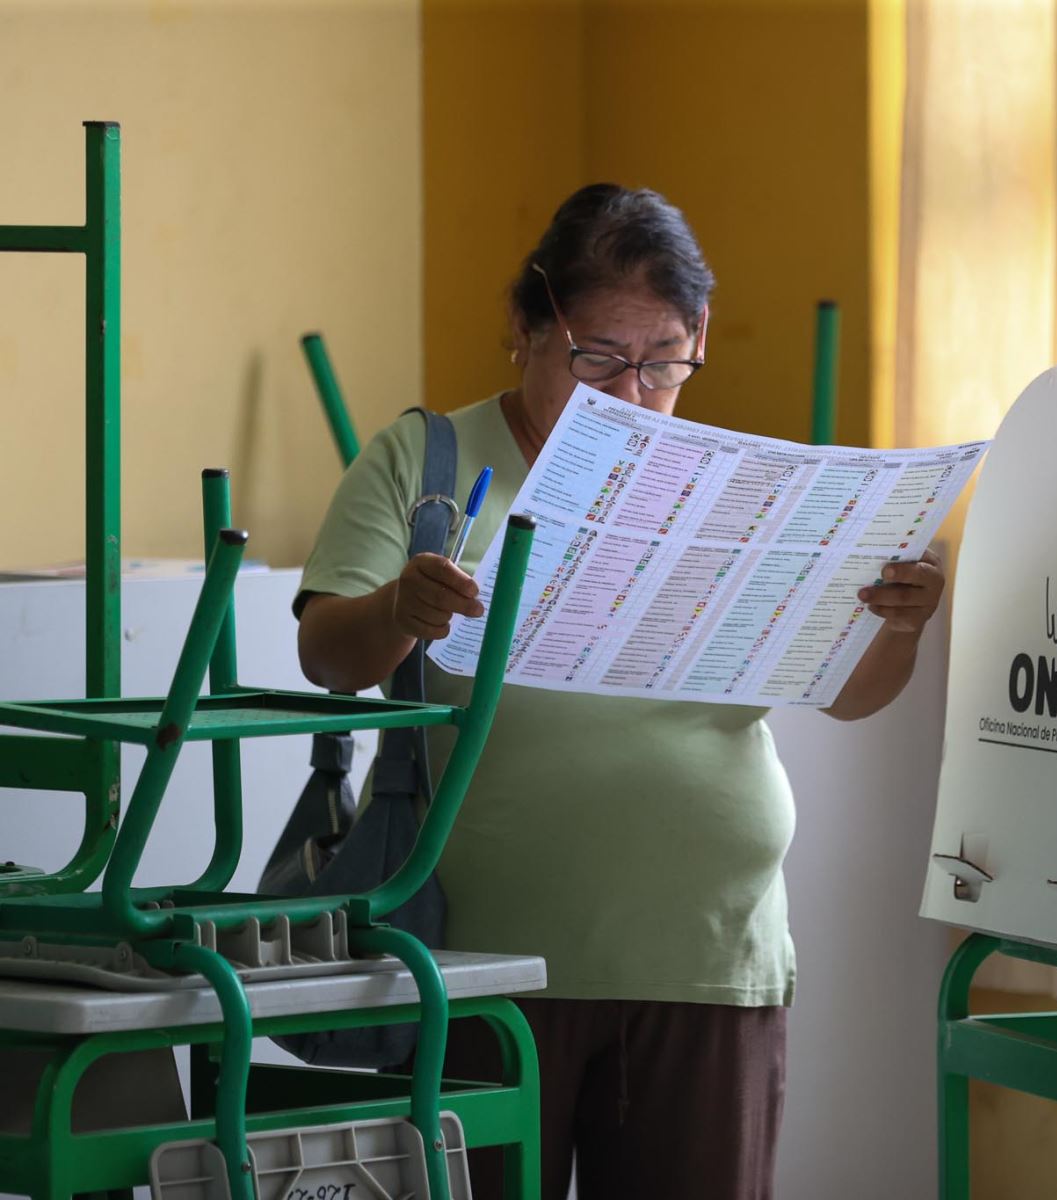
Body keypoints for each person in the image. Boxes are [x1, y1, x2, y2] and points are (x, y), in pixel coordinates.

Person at [294, 184, 944, 1199]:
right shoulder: (429, 462)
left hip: (711, 952)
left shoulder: (731, 487)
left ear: (699, 340)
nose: (629, 397)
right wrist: (400, 612)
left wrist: (899, 625)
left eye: (663, 364)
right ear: (526, 325)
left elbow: (851, 696)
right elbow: (330, 656)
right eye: (595, 357)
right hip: (486, 966)